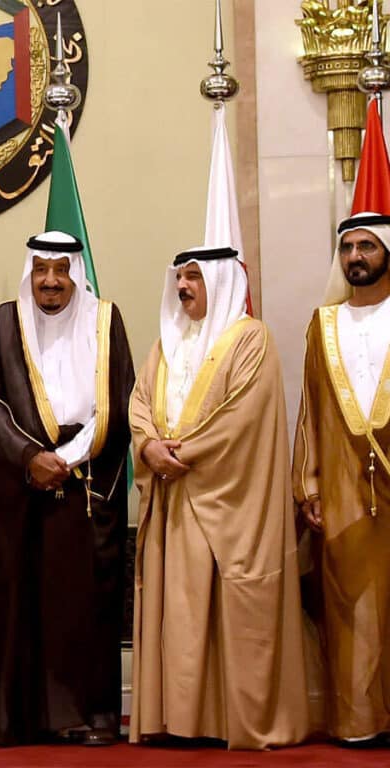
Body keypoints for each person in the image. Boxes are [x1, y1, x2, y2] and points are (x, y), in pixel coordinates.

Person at [128, 246, 308, 749]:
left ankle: (227, 720)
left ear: (222, 284)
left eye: (194, 278)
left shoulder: (251, 340)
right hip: (171, 498)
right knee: (178, 613)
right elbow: (139, 402)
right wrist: (146, 446)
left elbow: (241, 417)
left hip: (228, 500)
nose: (183, 287)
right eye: (180, 278)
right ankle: (178, 720)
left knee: (226, 608)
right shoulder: (165, 343)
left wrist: (176, 453)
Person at [0, 231, 134, 747]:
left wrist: (66, 458)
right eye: (40, 270)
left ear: (74, 275)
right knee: (24, 598)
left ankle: (90, 715)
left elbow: (118, 399)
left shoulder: (105, 320)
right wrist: (30, 458)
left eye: (59, 271)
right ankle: (21, 717)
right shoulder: (6, 321)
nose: (49, 281)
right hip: (25, 482)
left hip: (85, 477)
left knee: (85, 603)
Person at [293, 211, 390, 745]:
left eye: (367, 247)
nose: (356, 256)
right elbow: (310, 408)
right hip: (343, 489)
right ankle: (358, 722)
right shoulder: (322, 324)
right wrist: (308, 484)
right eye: (348, 248)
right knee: (352, 606)